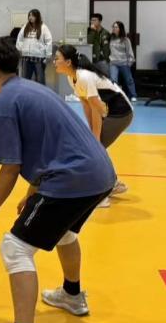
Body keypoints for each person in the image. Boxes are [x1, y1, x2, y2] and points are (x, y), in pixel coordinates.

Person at [0, 38, 116, 323]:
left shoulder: (4, 102)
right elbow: (50, 144)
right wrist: (34, 191)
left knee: (14, 248)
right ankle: (72, 295)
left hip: (72, 178)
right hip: (100, 173)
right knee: (63, 231)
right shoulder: (31, 89)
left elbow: (10, 166)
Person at [53, 45, 132, 207]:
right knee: (93, 147)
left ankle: (103, 194)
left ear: (68, 62)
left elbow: (97, 108)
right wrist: (91, 133)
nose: (54, 62)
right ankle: (113, 183)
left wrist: (95, 137)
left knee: (94, 149)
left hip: (121, 113)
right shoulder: (72, 78)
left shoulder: (84, 77)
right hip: (106, 113)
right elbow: (87, 105)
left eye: (57, 58)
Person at [15, 10, 53, 84]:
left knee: (40, 80)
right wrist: (20, 49)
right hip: (26, 58)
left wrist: (48, 55)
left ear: (37, 16)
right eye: (29, 15)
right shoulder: (25, 27)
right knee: (25, 80)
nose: (30, 17)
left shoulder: (43, 27)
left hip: (39, 58)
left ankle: (40, 92)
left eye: (33, 15)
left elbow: (48, 41)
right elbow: (19, 39)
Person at [108, 21, 137, 100]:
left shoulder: (126, 40)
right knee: (113, 80)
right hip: (113, 63)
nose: (114, 28)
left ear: (120, 28)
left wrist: (129, 63)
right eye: (113, 27)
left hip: (124, 63)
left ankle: (133, 95)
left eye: (116, 27)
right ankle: (114, 95)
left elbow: (130, 52)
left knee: (129, 80)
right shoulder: (111, 38)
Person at [86, 13, 111, 78]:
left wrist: (107, 59)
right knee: (93, 79)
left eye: (95, 20)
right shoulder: (89, 31)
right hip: (91, 59)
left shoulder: (105, 32)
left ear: (100, 21)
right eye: (91, 20)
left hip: (103, 60)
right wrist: (93, 31)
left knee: (106, 78)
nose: (92, 22)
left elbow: (107, 47)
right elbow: (89, 42)